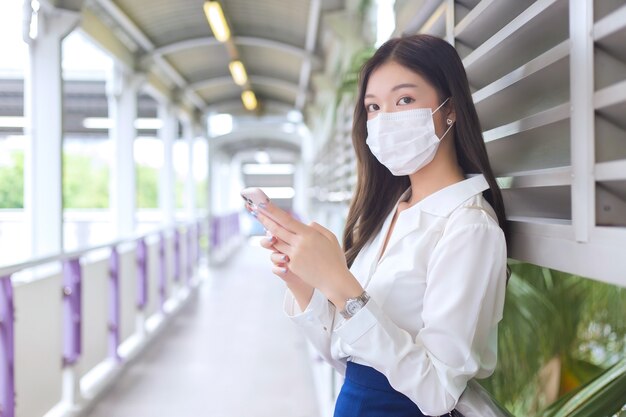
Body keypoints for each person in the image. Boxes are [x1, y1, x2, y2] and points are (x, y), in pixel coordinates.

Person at [249, 34, 508, 417]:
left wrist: (340, 283)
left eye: (404, 100)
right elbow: (351, 358)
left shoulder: (470, 227)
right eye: (373, 107)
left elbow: (437, 393)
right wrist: (305, 282)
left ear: (449, 109)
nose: (385, 119)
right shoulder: (389, 214)